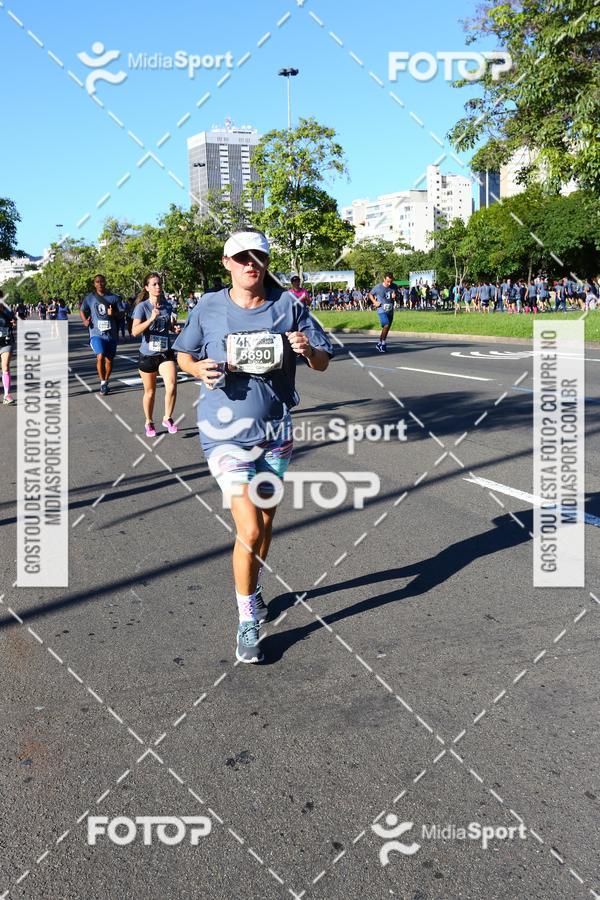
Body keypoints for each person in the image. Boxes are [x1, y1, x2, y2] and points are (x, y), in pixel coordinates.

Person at [173, 229, 332, 664]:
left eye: (256, 256)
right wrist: (197, 369)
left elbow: (323, 360)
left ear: (265, 261)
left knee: (264, 523)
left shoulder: (288, 306)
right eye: (240, 257)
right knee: (248, 528)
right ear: (226, 263)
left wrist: (307, 349)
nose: (249, 264)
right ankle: (247, 622)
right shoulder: (208, 306)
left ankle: (254, 589)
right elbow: (183, 354)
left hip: (276, 432)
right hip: (224, 435)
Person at [132, 272, 181, 437]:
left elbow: (167, 326)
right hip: (147, 354)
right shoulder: (142, 307)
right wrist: (151, 319)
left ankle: (167, 418)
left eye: (159, 283)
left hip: (165, 352)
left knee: (172, 384)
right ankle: (149, 422)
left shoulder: (167, 306)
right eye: (154, 284)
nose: (158, 286)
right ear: (147, 287)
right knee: (150, 392)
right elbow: (134, 332)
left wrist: (174, 329)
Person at [80, 274, 120, 394]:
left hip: (111, 334)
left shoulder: (114, 298)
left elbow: (122, 314)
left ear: (105, 282)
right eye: (97, 282)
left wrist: (113, 314)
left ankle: (106, 380)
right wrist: (85, 320)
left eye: (102, 281)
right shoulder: (90, 298)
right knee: (100, 356)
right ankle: (102, 383)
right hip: (96, 333)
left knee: (109, 360)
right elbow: (82, 310)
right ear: (94, 284)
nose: (100, 283)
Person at [369, 273, 397, 353]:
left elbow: (396, 297)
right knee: (386, 325)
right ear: (384, 279)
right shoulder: (378, 287)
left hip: (390, 310)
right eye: (388, 281)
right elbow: (370, 294)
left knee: (386, 328)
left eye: (391, 282)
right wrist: (375, 301)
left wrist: (395, 297)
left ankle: (379, 343)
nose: (389, 283)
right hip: (381, 309)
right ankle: (383, 344)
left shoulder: (394, 286)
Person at [0, 292, 17, 405]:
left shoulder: (7, 310)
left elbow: (15, 320)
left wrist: (14, 322)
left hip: (6, 341)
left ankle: (7, 395)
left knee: (5, 366)